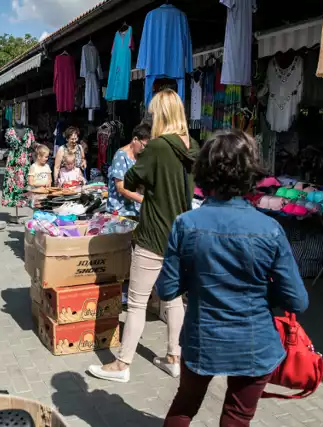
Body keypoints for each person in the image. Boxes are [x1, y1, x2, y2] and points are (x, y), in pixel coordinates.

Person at [157, 130, 309, 427]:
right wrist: (263, 291)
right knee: (237, 416)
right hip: (254, 342)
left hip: (203, 339)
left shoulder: (185, 224)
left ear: (205, 170)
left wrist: (195, 277)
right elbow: (298, 301)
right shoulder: (270, 229)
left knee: (185, 405)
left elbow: (166, 289)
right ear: (250, 172)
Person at [88, 89, 200, 383]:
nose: (150, 116)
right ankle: (173, 357)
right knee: (174, 298)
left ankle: (122, 364)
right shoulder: (192, 146)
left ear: (161, 114)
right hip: (180, 233)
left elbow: (132, 179)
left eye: (153, 112)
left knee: (137, 302)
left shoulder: (158, 147)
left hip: (153, 233)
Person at [106, 123, 151, 218]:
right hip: (122, 211)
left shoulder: (141, 156)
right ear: (135, 139)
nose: (145, 149)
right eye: (143, 145)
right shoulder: (121, 156)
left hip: (137, 209)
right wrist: (145, 201)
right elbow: (121, 188)